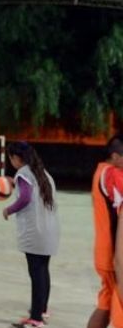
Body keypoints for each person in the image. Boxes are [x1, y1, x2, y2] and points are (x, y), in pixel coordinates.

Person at [4, 142, 60, 328]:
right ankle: (41, 310)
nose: (10, 161)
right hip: (50, 230)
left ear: (16, 158)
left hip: (35, 232)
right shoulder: (43, 173)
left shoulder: (23, 173)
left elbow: (26, 197)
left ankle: (35, 319)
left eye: (11, 157)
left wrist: (9, 209)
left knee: (36, 273)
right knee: (43, 270)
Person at [87, 135, 123, 328]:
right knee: (113, 306)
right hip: (113, 254)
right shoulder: (110, 174)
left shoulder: (102, 170)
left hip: (107, 251)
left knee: (105, 303)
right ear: (116, 156)